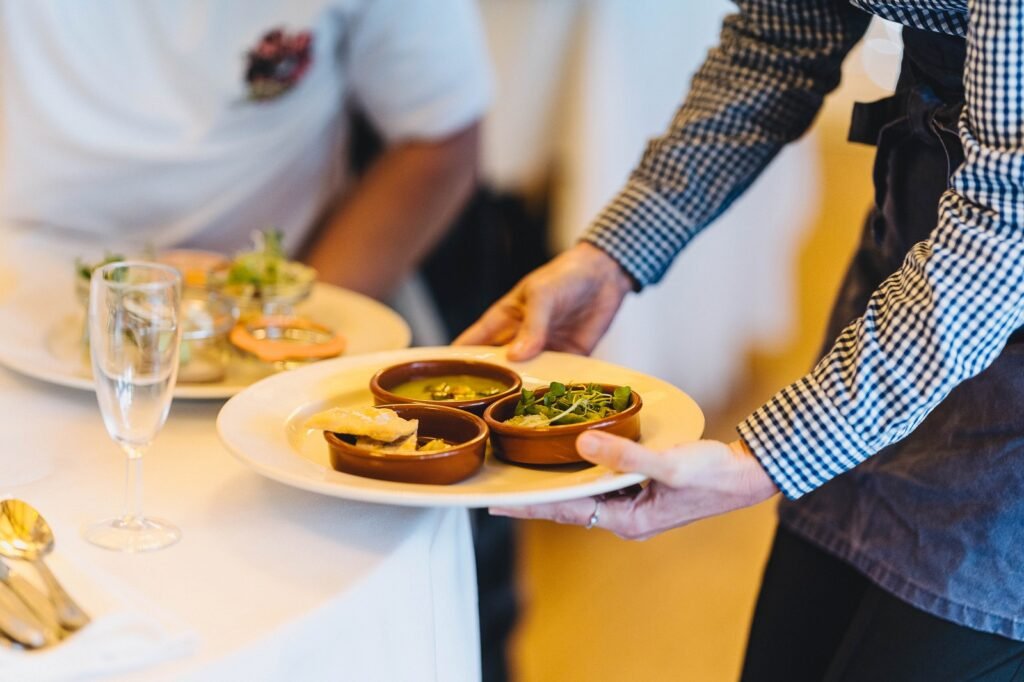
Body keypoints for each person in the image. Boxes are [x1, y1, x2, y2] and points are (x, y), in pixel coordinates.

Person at [458, 0, 1024, 679]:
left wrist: (768, 455)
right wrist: (613, 255)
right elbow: (778, 41)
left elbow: (1004, 226)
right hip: (914, 261)